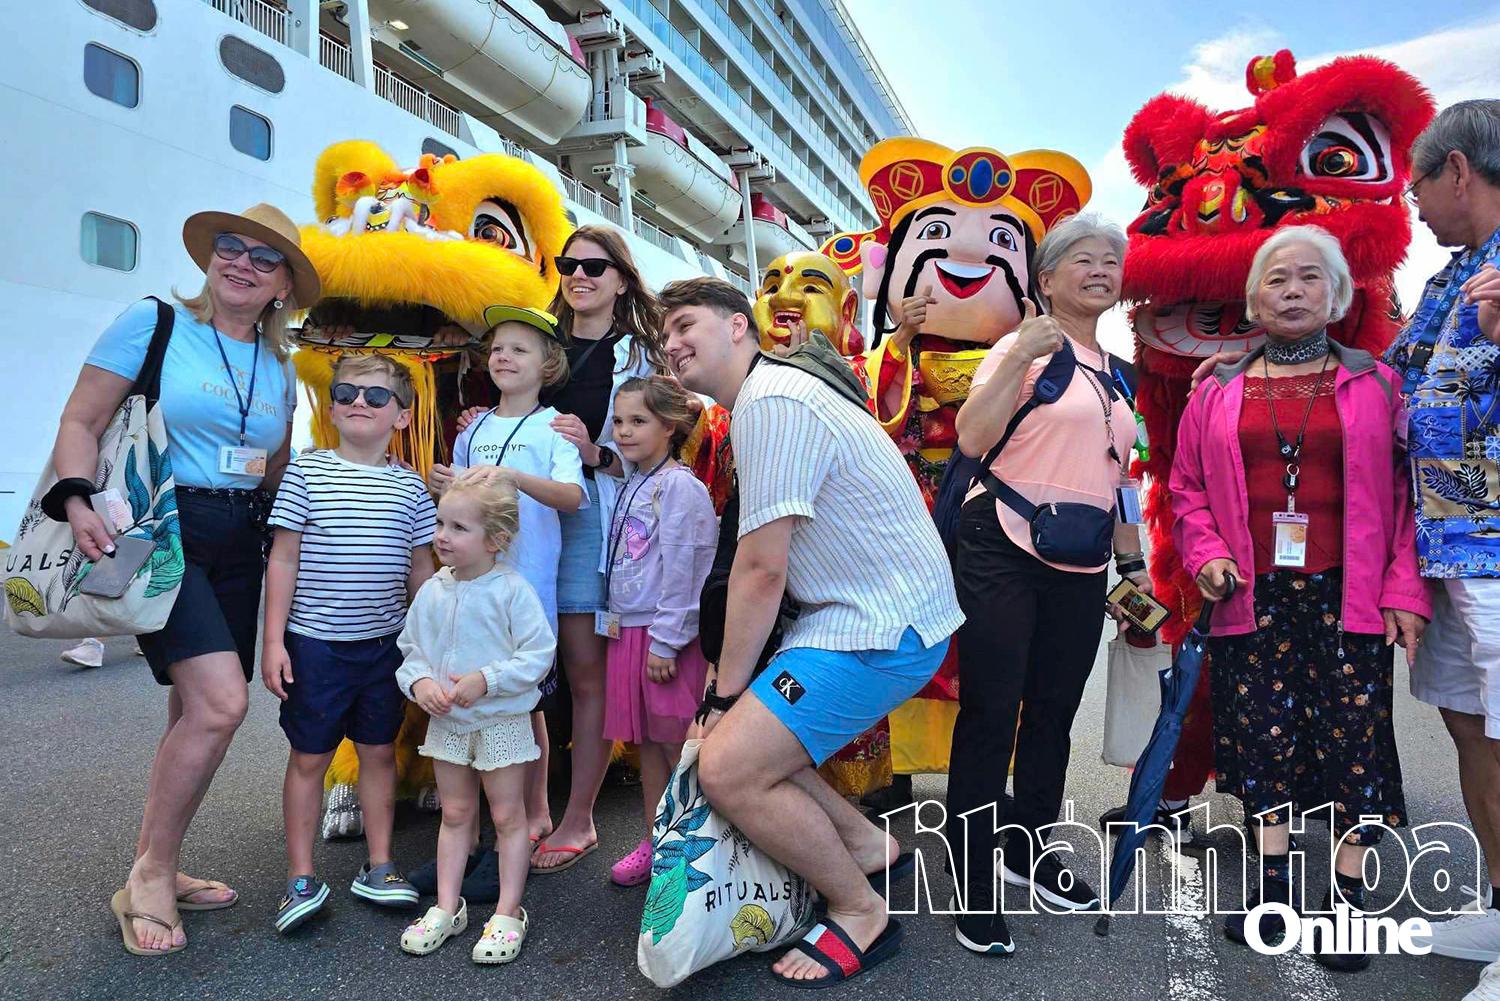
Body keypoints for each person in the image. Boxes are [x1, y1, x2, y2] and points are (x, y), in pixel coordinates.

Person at [662, 276, 962, 987]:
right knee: (757, 743)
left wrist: (723, 695)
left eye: (685, 324)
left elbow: (762, 568)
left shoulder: (773, 402)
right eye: (665, 334)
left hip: (879, 628)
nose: (671, 343)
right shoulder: (772, 395)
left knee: (728, 766)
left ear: (739, 325)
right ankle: (866, 846)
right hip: (861, 618)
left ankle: (860, 910)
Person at [44, 204, 317, 954]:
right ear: (210, 257)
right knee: (222, 704)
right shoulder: (155, 323)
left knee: (193, 709)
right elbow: (81, 419)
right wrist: (75, 497)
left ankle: (156, 858)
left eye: (264, 258)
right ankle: (152, 872)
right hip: (165, 527)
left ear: (284, 287)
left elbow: (275, 469)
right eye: (231, 246)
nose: (241, 263)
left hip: (241, 538)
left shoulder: (279, 367)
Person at [1171, 224, 1428, 972]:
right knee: (1263, 736)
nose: (1293, 290)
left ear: (1338, 294)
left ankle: (1347, 893)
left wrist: (1403, 589)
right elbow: (1186, 488)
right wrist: (1207, 553)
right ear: (1254, 298)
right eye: (1276, 278)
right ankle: (1273, 886)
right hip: (1250, 591)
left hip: (1351, 590)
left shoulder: (1379, 384)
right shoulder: (1216, 388)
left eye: (1310, 277)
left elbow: (1410, 496)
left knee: (1355, 739)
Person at [942, 214, 1146, 954]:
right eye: (1082, 259)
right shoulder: (1022, 347)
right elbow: (972, 436)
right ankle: (970, 878)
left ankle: (1028, 848)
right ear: (1048, 279)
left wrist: (1133, 570)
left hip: (1083, 563)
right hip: (1002, 542)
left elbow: (1121, 482)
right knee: (992, 711)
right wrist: (1021, 352)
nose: (1100, 270)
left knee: (1054, 712)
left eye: (1110, 261)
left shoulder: (1118, 374)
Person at [1382, 100, 1500, 997]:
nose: (1414, 206)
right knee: (1467, 718)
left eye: (1417, 186)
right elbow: (1392, 374)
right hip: (1444, 541)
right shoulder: (1449, 276)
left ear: (1456, 169)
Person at [261, 354, 436, 932]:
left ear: (402, 416)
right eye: (347, 393)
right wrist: (273, 641)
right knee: (309, 757)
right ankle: (301, 877)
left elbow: (420, 571)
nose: (359, 402)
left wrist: (431, 641)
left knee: (379, 751)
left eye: (376, 396)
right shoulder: (306, 473)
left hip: (385, 647)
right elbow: (283, 559)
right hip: (315, 646)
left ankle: (380, 865)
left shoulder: (410, 487)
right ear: (332, 407)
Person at [531, 225, 664, 873]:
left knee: (587, 673)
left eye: (594, 266)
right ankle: (526, 811)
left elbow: (654, 445)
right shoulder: (537, 344)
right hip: (524, 515)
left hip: (592, 517)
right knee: (523, 668)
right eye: (568, 264)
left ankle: (579, 817)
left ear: (621, 280)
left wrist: (595, 453)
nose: (578, 275)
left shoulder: (638, 356)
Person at [433, 306, 585, 851]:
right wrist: (443, 483)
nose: (503, 357)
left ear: (548, 364)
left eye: (519, 349)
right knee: (479, 696)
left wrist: (513, 476)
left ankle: (535, 811)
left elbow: (572, 497)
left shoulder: (556, 426)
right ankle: (486, 820)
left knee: (527, 703)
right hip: (472, 587)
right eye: (497, 348)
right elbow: (457, 502)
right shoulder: (472, 427)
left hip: (528, 587)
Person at [394, 474, 556, 962]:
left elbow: (538, 654)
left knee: (507, 816)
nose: (442, 536)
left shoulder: (512, 590)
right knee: (456, 813)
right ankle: (447, 906)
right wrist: (420, 683)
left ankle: (509, 910)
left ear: (496, 539)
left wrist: (487, 679)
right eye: (440, 523)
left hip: (501, 722)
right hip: (448, 724)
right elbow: (411, 649)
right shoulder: (432, 591)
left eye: (459, 527)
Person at [600, 376, 717, 887]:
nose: (624, 432)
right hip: (631, 631)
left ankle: (697, 851)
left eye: (638, 421)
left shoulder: (679, 487)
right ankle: (657, 839)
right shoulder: (633, 480)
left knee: (678, 748)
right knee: (649, 745)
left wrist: (667, 640)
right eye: (618, 421)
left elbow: (687, 568)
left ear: (669, 426)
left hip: (664, 638)